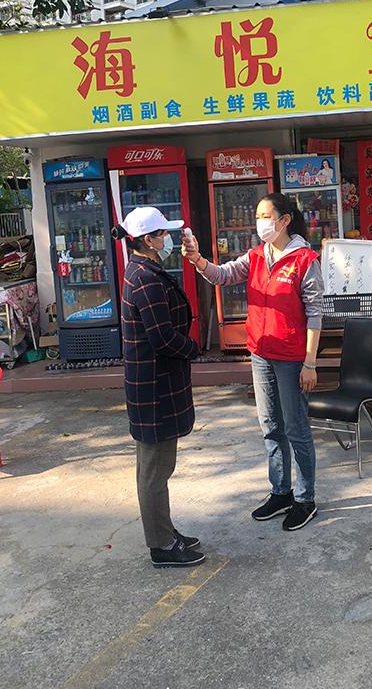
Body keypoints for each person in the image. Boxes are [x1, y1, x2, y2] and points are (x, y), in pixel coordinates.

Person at [182, 193, 324, 531]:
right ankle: (280, 492)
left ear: (284, 220)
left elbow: (316, 313)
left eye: (265, 216)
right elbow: (222, 275)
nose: (260, 222)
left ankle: (305, 499)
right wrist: (198, 259)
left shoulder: (305, 260)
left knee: (296, 429)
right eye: (258, 216)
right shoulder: (257, 256)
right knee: (270, 427)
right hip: (260, 354)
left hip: (291, 358)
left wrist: (310, 363)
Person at [113, 207, 204, 569]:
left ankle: (164, 531)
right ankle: (161, 545)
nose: (167, 239)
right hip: (154, 386)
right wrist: (193, 348)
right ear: (148, 240)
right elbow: (163, 338)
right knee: (154, 471)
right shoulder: (146, 279)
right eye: (163, 234)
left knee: (157, 468)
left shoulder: (143, 270)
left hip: (153, 383)